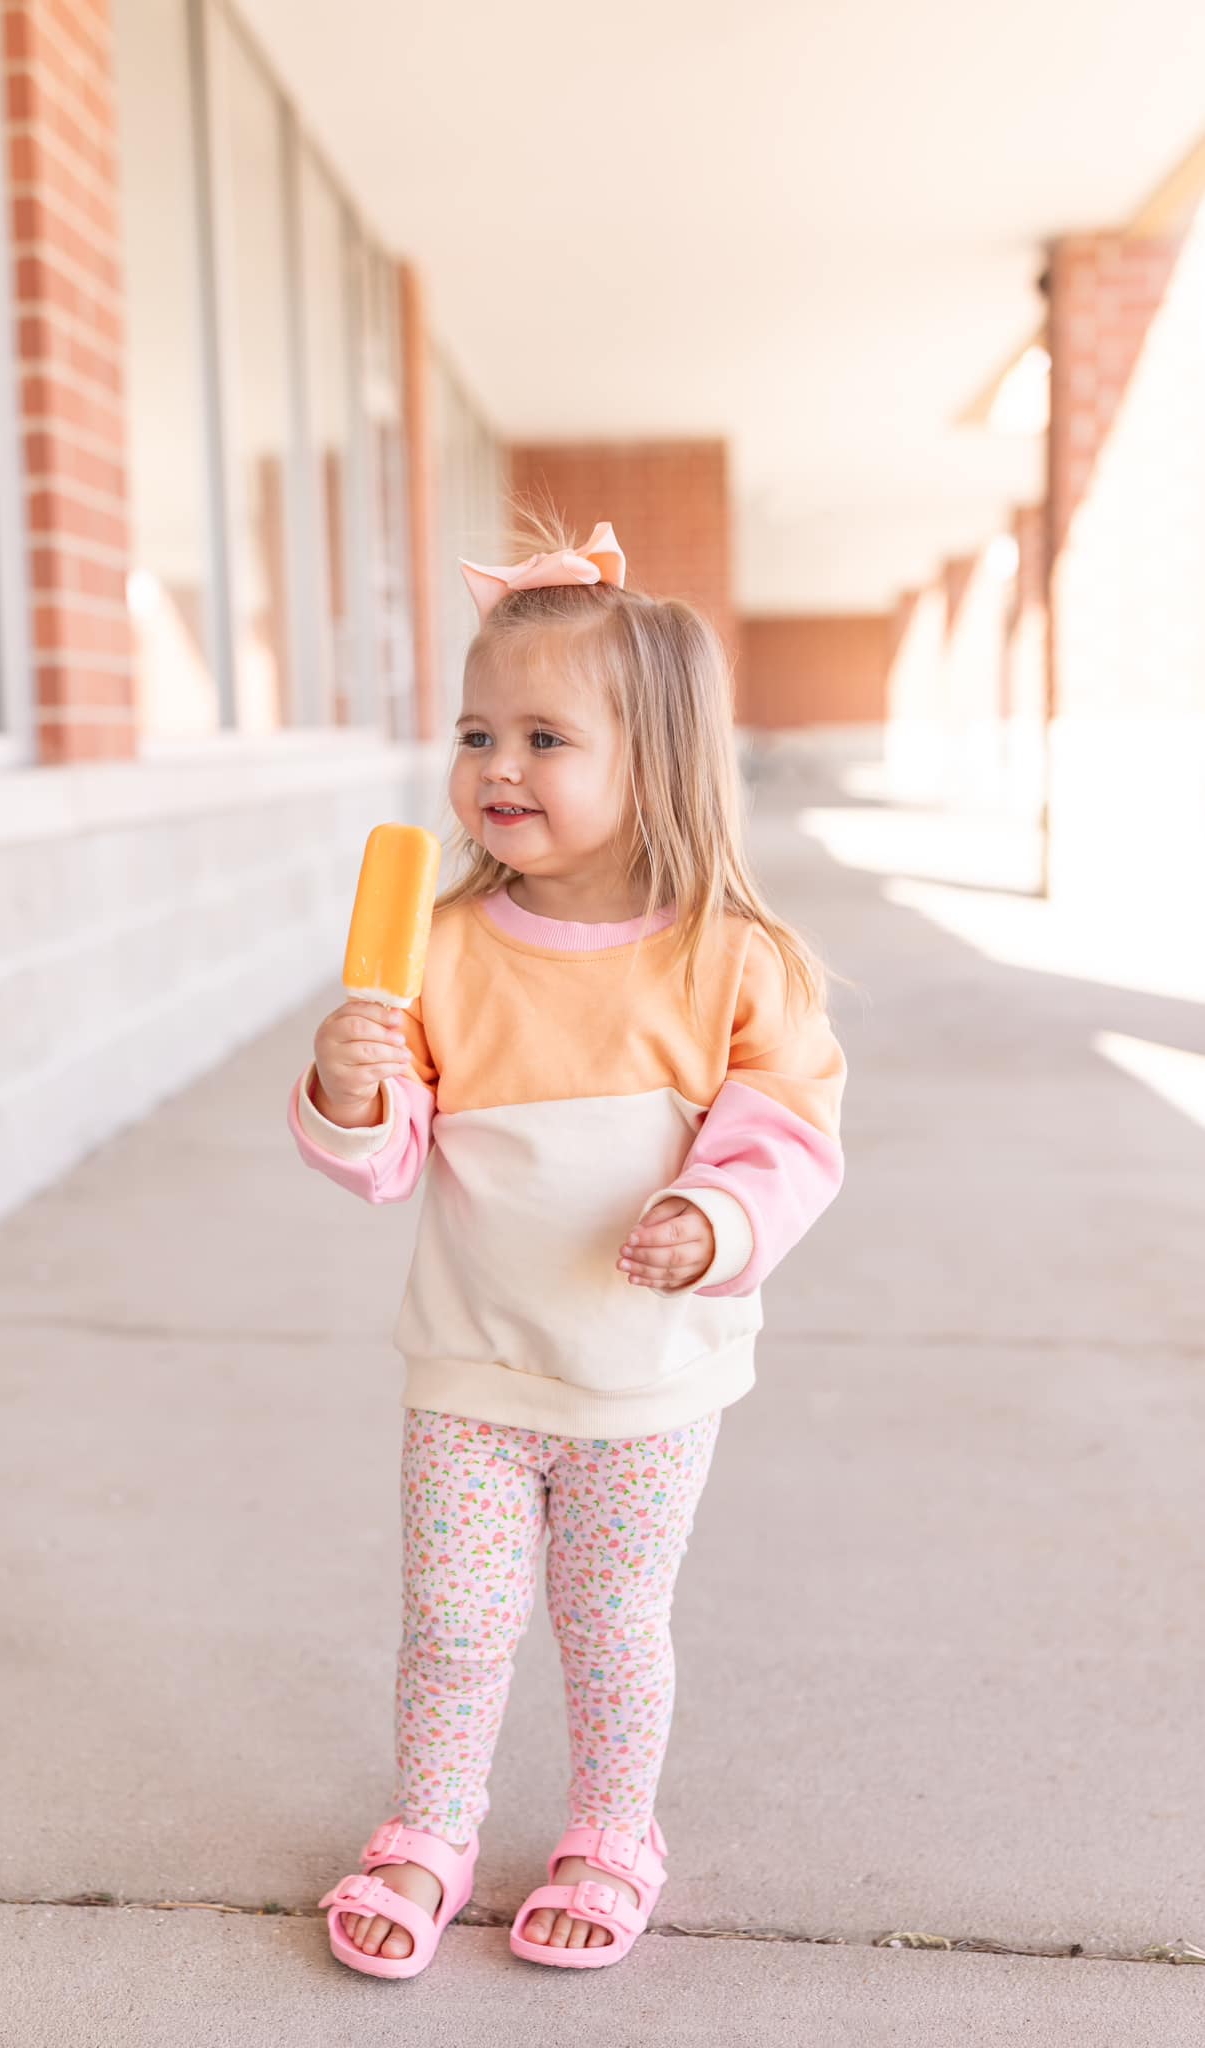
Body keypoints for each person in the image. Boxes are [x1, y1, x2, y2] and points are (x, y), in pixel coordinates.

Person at [290, 510, 847, 1977]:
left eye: (543, 738)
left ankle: (612, 1828)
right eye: (477, 735)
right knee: (455, 1625)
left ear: (652, 762)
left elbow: (789, 1126)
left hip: (639, 1384)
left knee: (610, 1631)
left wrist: (713, 1213)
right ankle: (428, 1825)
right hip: (471, 1368)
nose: (494, 769)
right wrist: (355, 1087)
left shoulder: (735, 959)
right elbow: (385, 1153)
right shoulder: (442, 950)